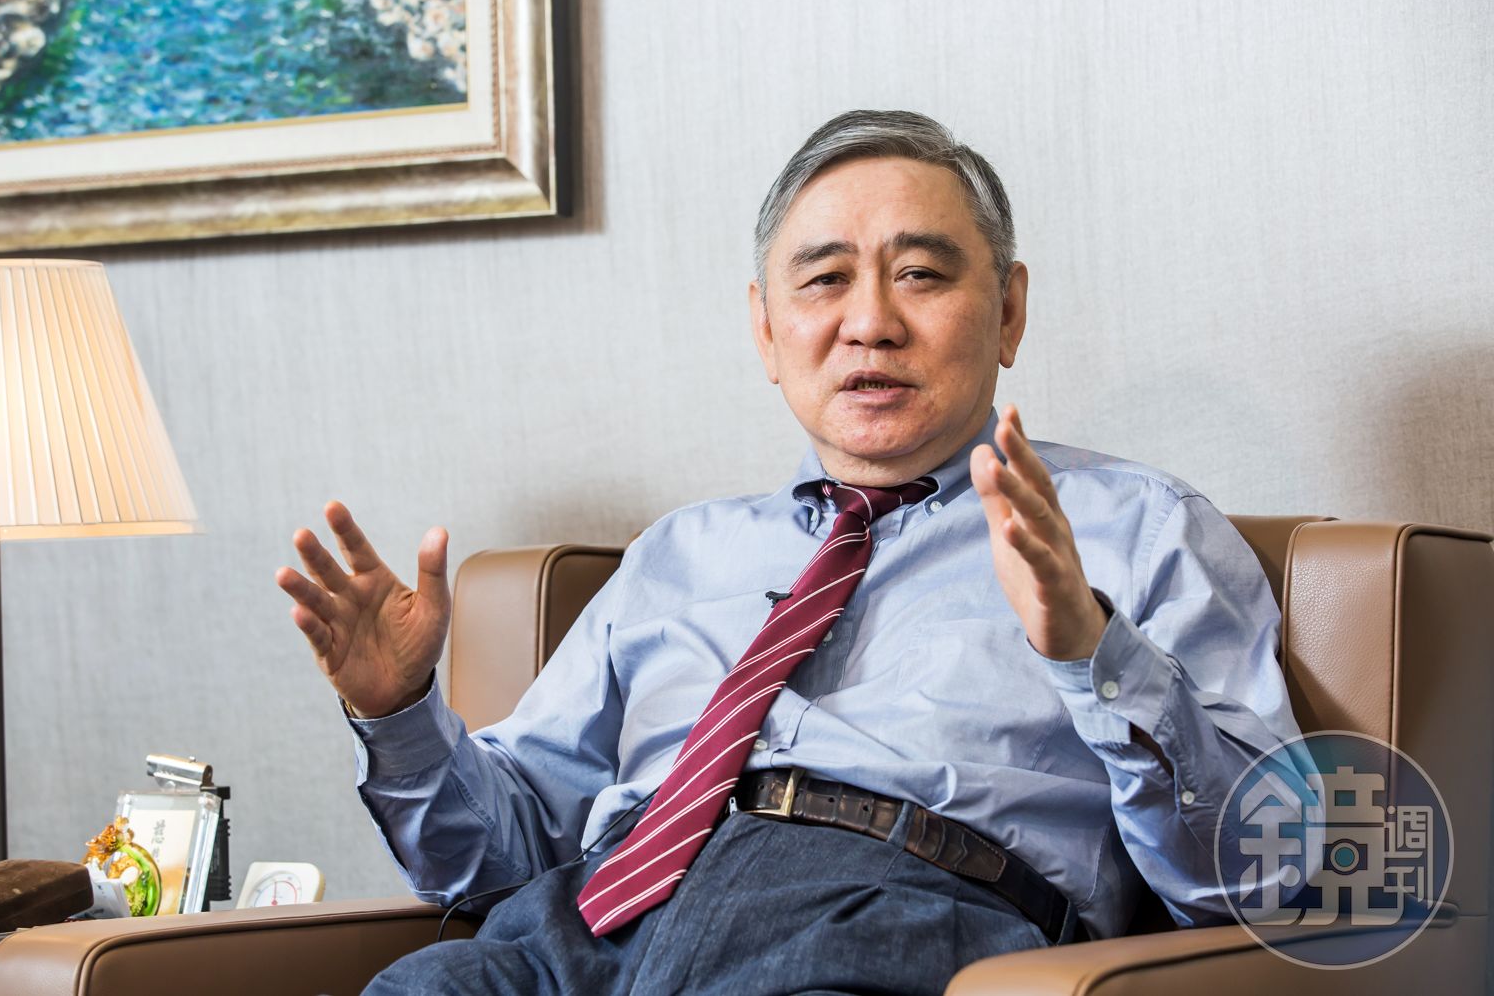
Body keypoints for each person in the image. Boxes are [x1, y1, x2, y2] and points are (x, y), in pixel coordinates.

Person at [276, 109, 1304, 994]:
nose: (870, 323)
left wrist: (1091, 650)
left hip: (893, 913)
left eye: (920, 274)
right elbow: (493, 863)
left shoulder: (1130, 529)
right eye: (823, 280)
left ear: (1009, 310)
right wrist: (398, 716)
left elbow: (1266, 875)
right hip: (581, 931)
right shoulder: (679, 553)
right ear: (766, 331)